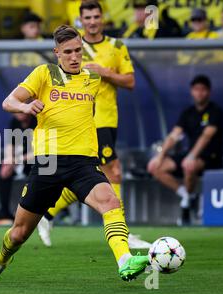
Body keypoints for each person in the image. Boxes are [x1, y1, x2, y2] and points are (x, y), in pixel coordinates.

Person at [0, 25, 149, 284]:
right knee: (19, 234)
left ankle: (125, 261)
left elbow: (118, 90)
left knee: (111, 203)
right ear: (57, 52)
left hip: (84, 163)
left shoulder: (92, 79)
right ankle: (0, 261)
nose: (74, 56)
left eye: (78, 50)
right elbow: (8, 102)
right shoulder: (44, 74)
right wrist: (26, 106)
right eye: (67, 51)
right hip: (48, 165)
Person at [37, 0, 151, 250]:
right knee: (113, 172)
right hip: (88, 121)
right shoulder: (73, 47)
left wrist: (104, 72)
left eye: (96, 16)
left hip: (109, 118)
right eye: (87, 17)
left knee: (91, 176)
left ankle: (46, 214)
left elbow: (130, 81)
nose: (92, 21)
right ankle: (123, 232)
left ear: (103, 18)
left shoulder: (116, 46)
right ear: (81, 19)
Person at [147, 75, 223, 226]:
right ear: (191, 91)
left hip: (211, 157)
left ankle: (186, 206)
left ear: (208, 92)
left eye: (203, 90)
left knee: (188, 165)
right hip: (189, 154)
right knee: (155, 167)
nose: (199, 93)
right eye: (196, 89)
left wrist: (191, 156)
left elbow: (206, 137)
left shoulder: (216, 111)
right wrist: (160, 156)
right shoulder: (188, 112)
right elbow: (174, 135)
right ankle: (188, 196)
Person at [0, 113, 36, 222]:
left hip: (37, 161)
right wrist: (9, 161)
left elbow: (39, 150)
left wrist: (16, 161)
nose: (18, 113)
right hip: (20, 161)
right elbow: (10, 145)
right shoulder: (14, 122)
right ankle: (4, 212)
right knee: (3, 173)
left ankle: (32, 213)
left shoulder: (37, 121)